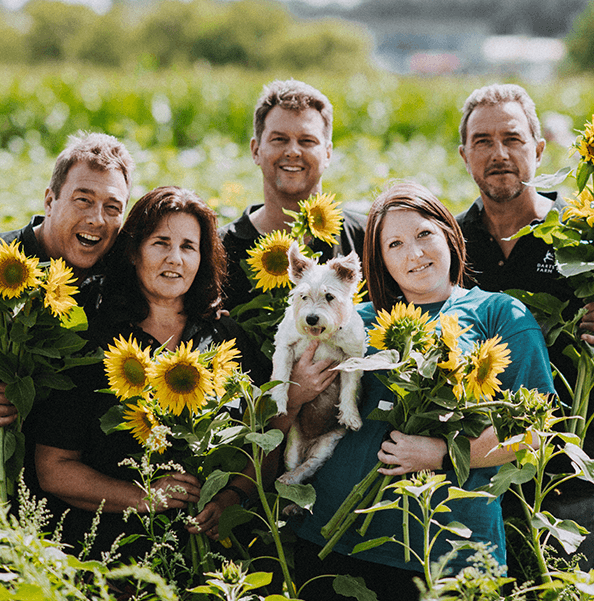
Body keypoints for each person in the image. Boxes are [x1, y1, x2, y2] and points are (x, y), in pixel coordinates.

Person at [281, 182, 554, 601]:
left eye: (424, 234)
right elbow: (315, 418)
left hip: (451, 550)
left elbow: (535, 433)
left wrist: (441, 453)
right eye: (395, 244)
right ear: (380, 261)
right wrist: (301, 394)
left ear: (450, 233)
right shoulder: (350, 319)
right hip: (335, 540)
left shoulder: (499, 313)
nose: (415, 253)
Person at [31, 186, 270, 559]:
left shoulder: (223, 336)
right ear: (132, 251)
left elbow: (269, 435)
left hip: (211, 561)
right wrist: (143, 497)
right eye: (161, 243)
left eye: (189, 247)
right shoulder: (95, 342)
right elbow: (54, 468)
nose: (175, 258)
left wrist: (231, 497)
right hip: (112, 558)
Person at [456, 83, 594, 569]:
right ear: (464, 155)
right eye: (483, 141)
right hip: (475, 473)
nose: (499, 154)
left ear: (538, 150)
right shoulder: (445, 245)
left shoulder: (583, 236)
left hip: (574, 473)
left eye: (513, 139)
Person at [0, 131, 134, 426]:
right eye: (83, 200)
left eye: (112, 207)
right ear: (50, 201)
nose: (97, 219)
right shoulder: (3, 259)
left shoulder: (122, 279)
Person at [219, 79, 367, 311]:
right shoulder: (219, 250)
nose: (292, 151)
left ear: (327, 154)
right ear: (256, 150)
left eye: (307, 141)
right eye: (279, 139)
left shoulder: (366, 240)